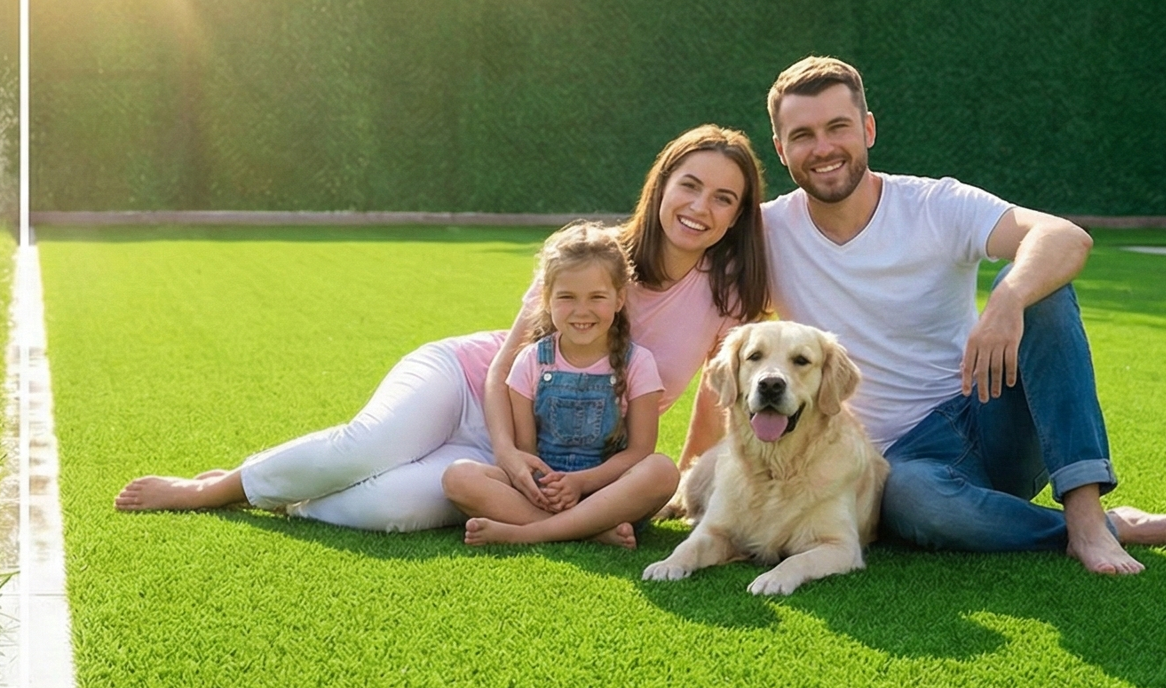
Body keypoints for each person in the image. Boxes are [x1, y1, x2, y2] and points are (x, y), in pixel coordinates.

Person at [113, 125, 770, 541]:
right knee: (361, 449)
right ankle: (218, 487)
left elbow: (716, 400)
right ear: (661, 187)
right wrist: (511, 455)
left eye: (723, 198)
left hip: (552, 459)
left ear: (739, 214)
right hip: (469, 384)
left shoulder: (727, 294)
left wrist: (684, 481)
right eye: (690, 186)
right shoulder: (594, 255)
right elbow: (505, 363)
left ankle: (287, 491)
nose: (700, 208)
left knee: (384, 512)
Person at [755, 55, 1166, 574]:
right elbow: (725, 337)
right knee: (913, 503)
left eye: (837, 127)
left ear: (868, 129)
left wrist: (1006, 300)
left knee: (1038, 287)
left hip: (986, 411)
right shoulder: (766, 233)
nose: (823, 148)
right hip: (901, 467)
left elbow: (1065, 237)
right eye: (802, 135)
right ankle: (1116, 527)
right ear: (781, 149)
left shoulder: (934, 203)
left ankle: (1088, 518)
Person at [441, 225, 674, 546]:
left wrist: (579, 483)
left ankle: (528, 533)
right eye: (567, 297)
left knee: (662, 470)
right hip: (544, 488)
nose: (582, 311)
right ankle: (592, 532)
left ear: (619, 298)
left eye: (597, 297)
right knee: (459, 477)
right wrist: (544, 486)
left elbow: (639, 452)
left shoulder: (638, 363)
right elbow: (527, 449)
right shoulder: (531, 360)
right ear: (547, 298)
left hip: (606, 491)